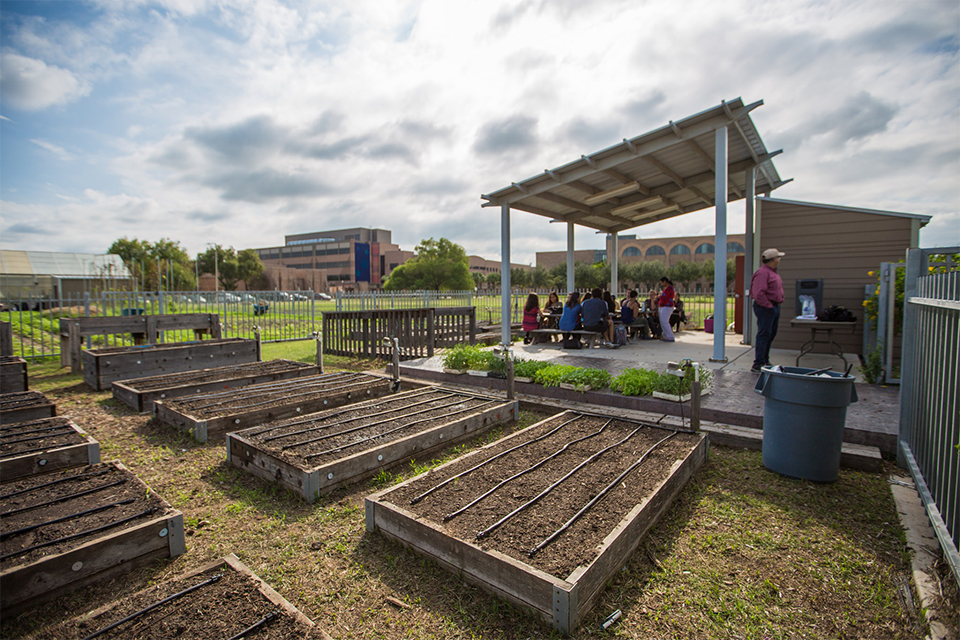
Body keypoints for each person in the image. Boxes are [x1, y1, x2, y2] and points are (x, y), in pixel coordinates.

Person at [750, 248, 785, 372]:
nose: (779, 259)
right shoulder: (763, 273)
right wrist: (769, 306)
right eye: (778, 257)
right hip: (766, 307)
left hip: (774, 306)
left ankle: (764, 359)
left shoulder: (772, 272)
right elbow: (759, 293)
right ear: (773, 259)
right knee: (764, 334)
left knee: (770, 334)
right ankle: (758, 363)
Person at [657, 277, 676, 342]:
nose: (661, 284)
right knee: (662, 322)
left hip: (667, 306)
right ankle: (665, 336)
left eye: (662, 282)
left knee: (665, 321)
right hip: (663, 306)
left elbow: (665, 296)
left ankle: (670, 336)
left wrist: (660, 295)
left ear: (665, 281)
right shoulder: (666, 289)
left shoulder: (670, 288)